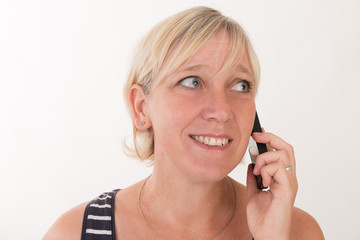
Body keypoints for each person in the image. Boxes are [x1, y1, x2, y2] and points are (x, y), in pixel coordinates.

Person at [43, 6, 324, 240]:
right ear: (141, 108)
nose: (222, 111)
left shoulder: (295, 231)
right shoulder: (73, 233)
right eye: (192, 82)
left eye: (240, 85)